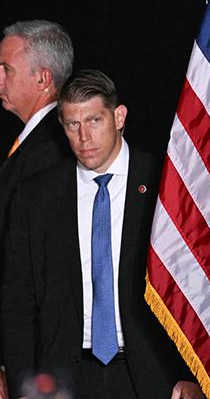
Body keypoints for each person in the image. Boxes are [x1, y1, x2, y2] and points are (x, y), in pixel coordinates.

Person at [1, 70, 203, 399]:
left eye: (94, 120)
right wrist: (25, 384)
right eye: (72, 124)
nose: (84, 137)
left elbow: (195, 285)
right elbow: (17, 299)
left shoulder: (164, 185)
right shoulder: (35, 196)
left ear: (119, 116)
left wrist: (190, 375)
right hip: (61, 380)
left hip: (152, 378)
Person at [0, 20, 74, 399]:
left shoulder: (50, 152)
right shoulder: (32, 146)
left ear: (44, 79)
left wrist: (10, 365)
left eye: (7, 70)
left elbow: (35, 274)